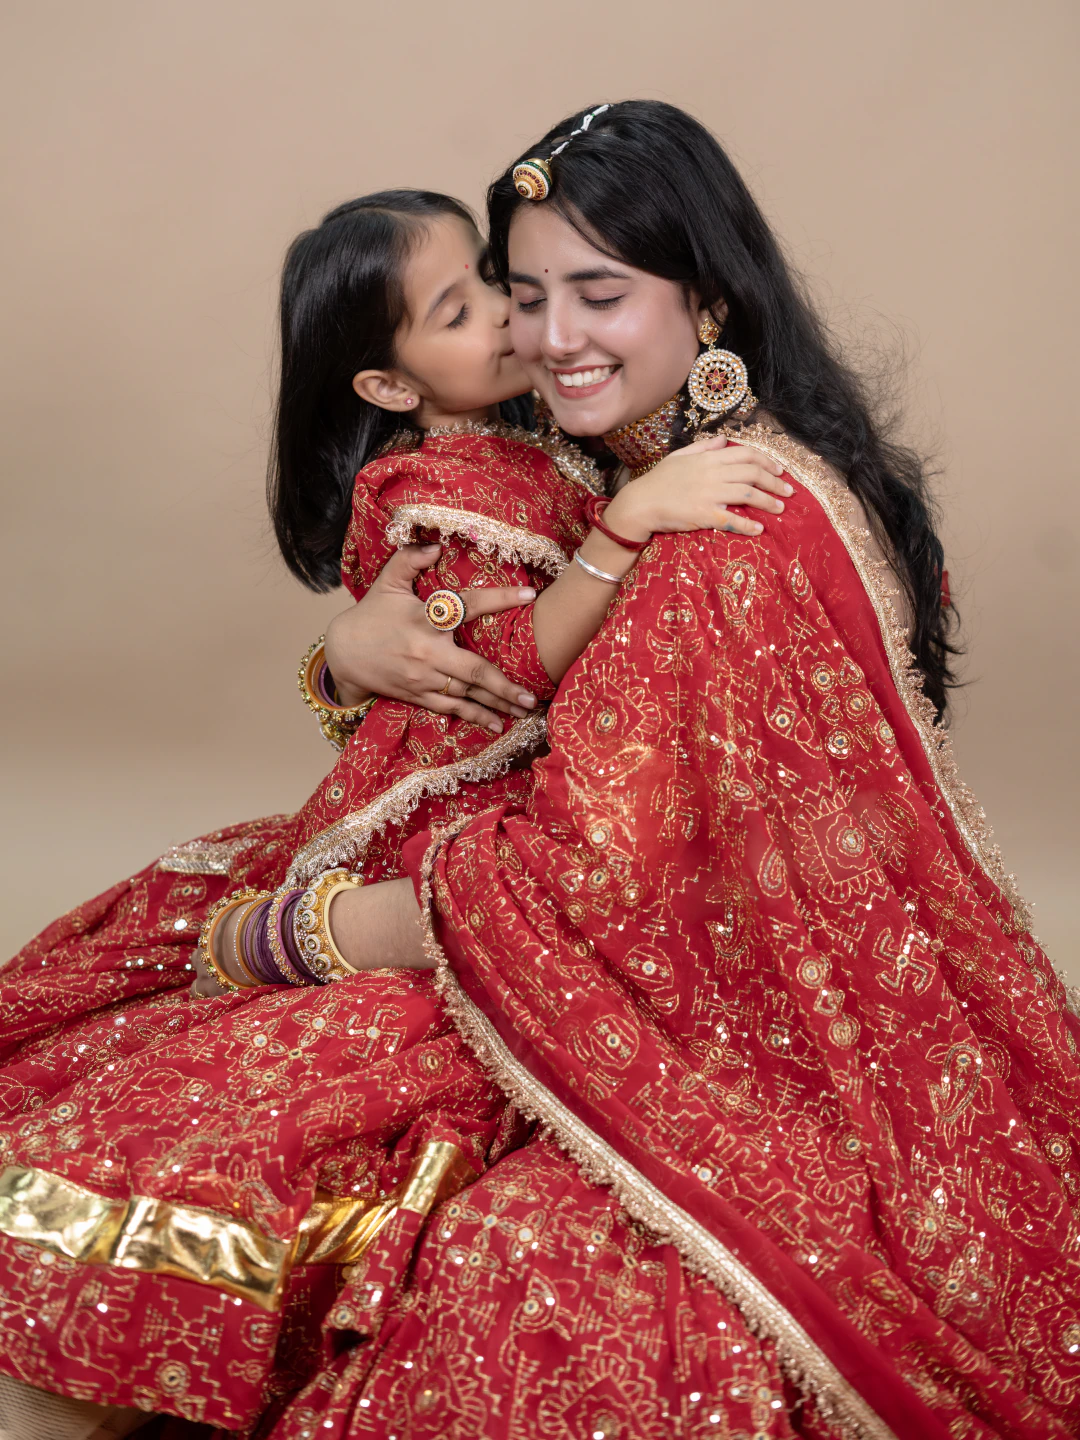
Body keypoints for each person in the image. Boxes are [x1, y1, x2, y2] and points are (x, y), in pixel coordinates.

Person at [257, 102, 1080, 1439]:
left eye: (600, 291)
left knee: (490, 1266)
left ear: (705, 299)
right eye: (522, 296)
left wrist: (307, 929)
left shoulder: (713, 529)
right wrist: (346, 662)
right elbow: (491, 708)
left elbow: (601, 889)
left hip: (727, 1028)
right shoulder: (619, 471)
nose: (551, 335)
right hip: (688, 958)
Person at [0, 187, 787, 1437]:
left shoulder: (546, 435)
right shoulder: (464, 479)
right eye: (465, 308)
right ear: (387, 386)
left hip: (558, 808)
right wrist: (618, 535)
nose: (519, 319)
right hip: (467, 817)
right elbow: (518, 669)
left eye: (497, 283)